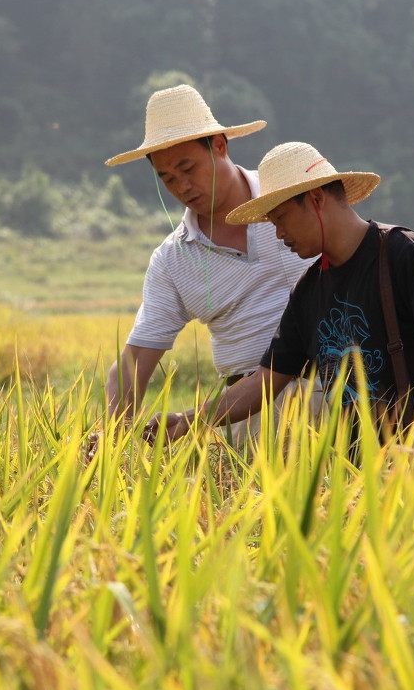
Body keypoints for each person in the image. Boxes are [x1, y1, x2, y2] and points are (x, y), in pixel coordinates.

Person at [150, 141, 414, 444]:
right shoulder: (310, 289)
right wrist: (189, 420)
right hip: (354, 468)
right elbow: (264, 382)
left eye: (280, 218)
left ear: (316, 198)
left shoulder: (403, 253)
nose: (278, 233)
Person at [103, 85, 312, 434]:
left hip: (343, 394)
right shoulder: (173, 260)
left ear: (219, 145)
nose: (183, 186)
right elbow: (134, 361)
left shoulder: (291, 198)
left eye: (189, 168)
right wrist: (112, 438)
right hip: (248, 417)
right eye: (168, 178)